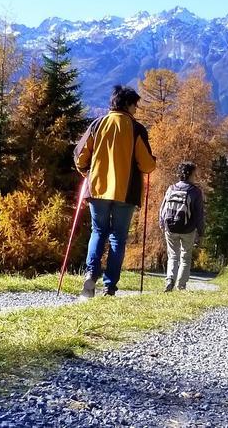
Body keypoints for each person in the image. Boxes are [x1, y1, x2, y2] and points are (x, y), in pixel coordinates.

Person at [74, 85, 156, 298]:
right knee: (118, 238)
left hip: (98, 189)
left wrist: (87, 173)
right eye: (135, 105)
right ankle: (110, 286)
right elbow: (147, 166)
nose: (136, 109)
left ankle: (91, 276)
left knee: (98, 231)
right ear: (128, 104)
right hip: (126, 192)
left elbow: (79, 155)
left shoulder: (97, 124)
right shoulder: (137, 129)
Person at [159, 161, 205, 292]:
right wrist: (200, 233)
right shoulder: (195, 192)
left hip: (170, 227)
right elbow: (199, 215)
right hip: (187, 229)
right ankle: (181, 285)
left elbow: (163, 208)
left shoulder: (171, 188)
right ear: (190, 174)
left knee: (173, 255)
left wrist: (162, 223)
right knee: (185, 256)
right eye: (195, 174)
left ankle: (169, 280)